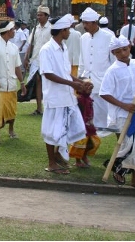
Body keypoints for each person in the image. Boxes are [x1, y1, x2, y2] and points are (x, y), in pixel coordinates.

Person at [99, 35, 135, 191]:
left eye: (125, 49)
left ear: (129, 48)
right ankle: (117, 166)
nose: (123, 53)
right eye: (118, 51)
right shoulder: (112, 71)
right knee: (128, 144)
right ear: (114, 54)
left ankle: (134, 178)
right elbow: (104, 93)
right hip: (123, 113)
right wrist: (123, 105)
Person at [38, 14, 89, 174]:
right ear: (62, 31)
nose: (70, 32)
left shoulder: (64, 47)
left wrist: (79, 82)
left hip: (67, 96)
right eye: (68, 29)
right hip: (54, 97)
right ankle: (51, 162)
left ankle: (58, 156)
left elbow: (66, 73)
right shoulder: (46, 49)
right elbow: (48, 74)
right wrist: (72, 83)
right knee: (52, 131)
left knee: (68, 128)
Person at [0, 21, 26, 146]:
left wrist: (22, 83)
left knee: (12, 109)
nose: (15, 31)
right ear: (7, 31)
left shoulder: (14, 47)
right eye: (13, 29)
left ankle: (11, 130)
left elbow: (17, 67)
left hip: (12, 83)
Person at [78, 7, 116, 136]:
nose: (84, 26)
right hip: (87, 83)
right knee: (87, 116)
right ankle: (90, 143)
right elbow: (82, 59)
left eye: (87, 23)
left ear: (95, 22)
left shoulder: (108, 36)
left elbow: (113, 61)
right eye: (83, 23)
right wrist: (80, 77)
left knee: (109, 115)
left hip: (103, 82)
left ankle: (120, 143)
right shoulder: (83, 38)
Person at [23, 5, 52, 115]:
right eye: (38, 15)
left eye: (41, 15)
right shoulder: (35, 29)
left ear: (46, 16)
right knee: (37, 81)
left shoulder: (51, 29)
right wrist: (26, 57)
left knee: (47, 83)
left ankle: (48, 107)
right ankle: (39, 107)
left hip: (47, 59)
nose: (38, 17)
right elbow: (31, 44)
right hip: (35, 59)